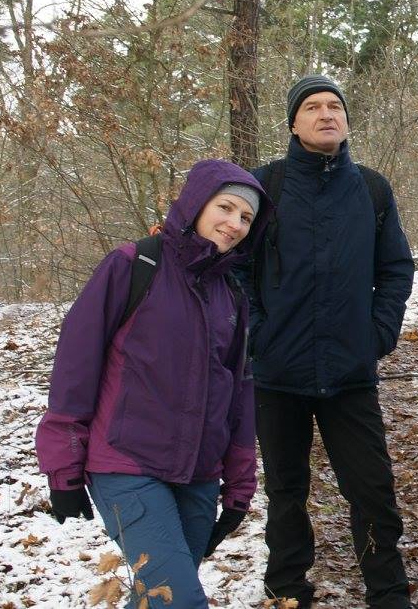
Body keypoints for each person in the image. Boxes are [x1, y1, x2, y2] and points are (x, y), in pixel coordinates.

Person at [36, 159, 268, 608]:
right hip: (127, 464)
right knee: (178, 601)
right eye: (225, 207)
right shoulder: (133, 265)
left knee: (154, 600)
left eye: (246, 217)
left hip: (200, 474)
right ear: (196, 203)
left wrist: (240, 487)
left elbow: (238, 393)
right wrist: (63, 466)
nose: (235, 224)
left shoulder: (231, 294)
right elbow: (75, 367)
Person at [237, 75, 415, 608]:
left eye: (334, 105)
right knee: (285, 491)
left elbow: (396, 268)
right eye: (312, 106)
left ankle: (388, 594)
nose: (326, 114)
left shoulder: (372, 189)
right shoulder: (264, 186)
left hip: (349, 372)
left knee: (372, 489)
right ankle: (287, 589)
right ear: (294, 123)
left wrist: (377, 334)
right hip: (277, 372)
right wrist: (257, 334)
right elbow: (236, 269)